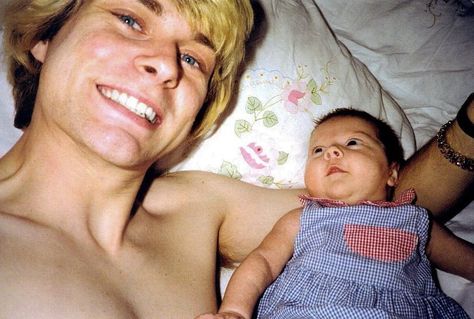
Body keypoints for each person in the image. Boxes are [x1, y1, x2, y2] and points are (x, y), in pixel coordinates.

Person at [0, 0, 473, 318]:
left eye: (193, 60)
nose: (165, 63)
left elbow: (386, 212)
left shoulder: (199, 206)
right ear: (44, 36)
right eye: (130, 19)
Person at [196, 108, 473, 319]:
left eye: (353, 143)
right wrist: (235, 311)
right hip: (310, 310)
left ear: (392, 172)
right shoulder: (302, 218)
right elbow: (264, 262)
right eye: (318, 150)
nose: (332, 152)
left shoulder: (415, 220)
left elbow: (465, 261)